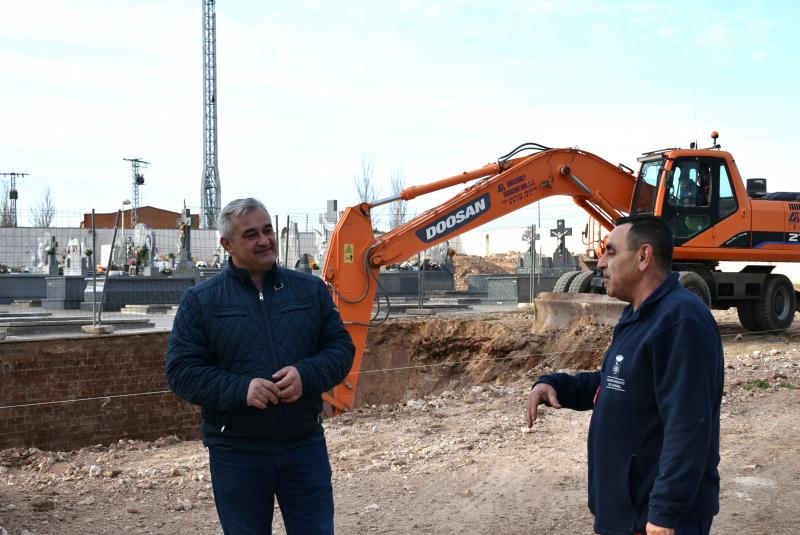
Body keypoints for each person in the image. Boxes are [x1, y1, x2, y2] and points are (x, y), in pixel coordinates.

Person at [166, 197, 355, 534]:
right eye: (251, 234)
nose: (265, 240)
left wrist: (306, 375)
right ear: (227, 245)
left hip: (303, 444)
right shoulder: (201, 302)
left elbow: (341, 349)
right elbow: (182, 372)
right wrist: (242, 389)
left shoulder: (310, 290)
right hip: (237, 451)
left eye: (267, 230)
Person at [527, 215, 723, 535]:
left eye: (611, 252)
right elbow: (620, 382)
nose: (601, 263)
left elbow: (688, 425)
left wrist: (664, 513)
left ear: (643, 256)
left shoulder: (680, 321)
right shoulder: (638, 314)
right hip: (627, 511)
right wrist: (557, 385)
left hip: (652, 518)